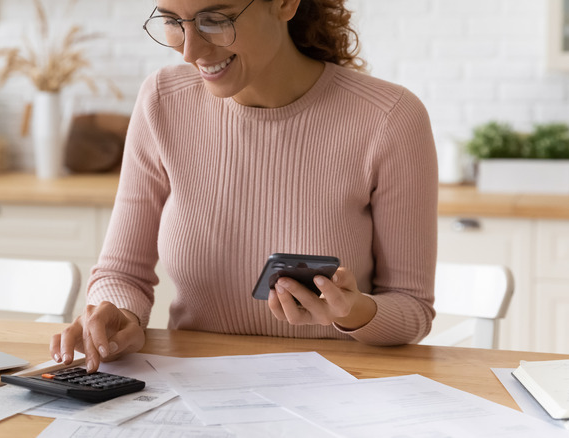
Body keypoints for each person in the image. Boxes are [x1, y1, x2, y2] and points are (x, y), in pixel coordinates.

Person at [51, 0, 438, 373]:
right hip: (195, 387)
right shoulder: (163, 101)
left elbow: (412, 309)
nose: (189, 51)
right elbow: (123, 274)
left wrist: (352, 312)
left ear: (285, 3)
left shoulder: (389, 118)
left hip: (337, 391)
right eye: (172, 21)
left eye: (215, 19)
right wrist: (117, 315)